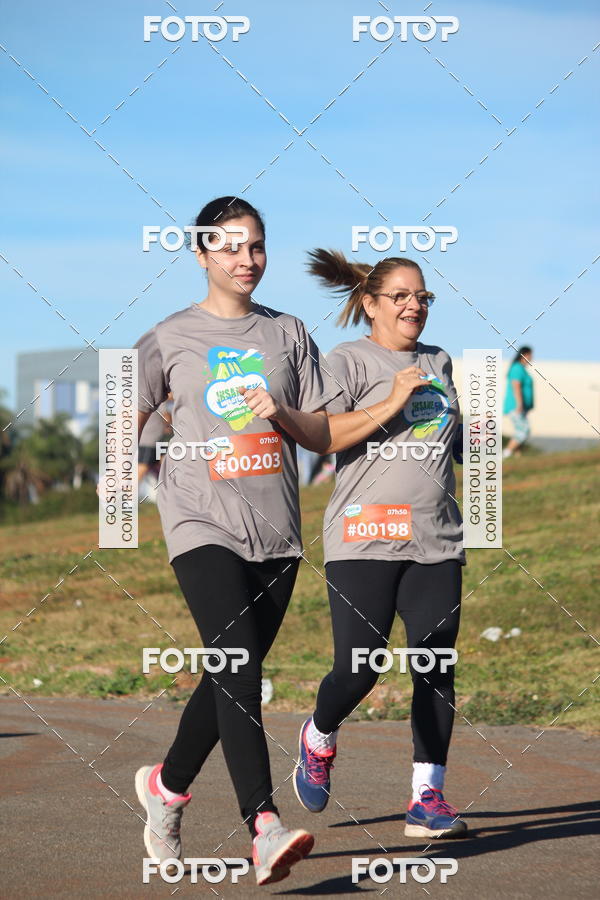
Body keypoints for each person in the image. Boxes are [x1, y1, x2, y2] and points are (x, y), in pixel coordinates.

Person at [133, 198, 341, 885]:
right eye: (228, 248)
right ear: (200, 254)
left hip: (277, 530)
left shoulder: (288, 332)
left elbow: (320, 432)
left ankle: (166, 790)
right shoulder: (170, 336)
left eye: (255, 247)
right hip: (199, 521)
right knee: (241, 662)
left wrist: (282, 411)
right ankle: (264, 824)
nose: (245, 260)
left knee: (230, 670)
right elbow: (121, 414)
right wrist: (131, 476)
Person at [293, 249, 468, 839]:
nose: (415, 305)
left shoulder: (439, 360)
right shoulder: (345, 360)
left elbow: (455, 443)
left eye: (423, 297)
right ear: (371, 304)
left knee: (435, 663)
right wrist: (391, 400)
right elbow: (323, 435)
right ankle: (319, 734)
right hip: (364, 536)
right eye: (402, 295)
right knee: (360, 667)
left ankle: (428, 797)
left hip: (435, 540)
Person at [138, 398, 172, 502]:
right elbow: (166, 418)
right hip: (151, 441)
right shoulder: (160, 399)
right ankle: (125, 500)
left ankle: (167, 498)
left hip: (150, 440)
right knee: (141, 471)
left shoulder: (147, 396)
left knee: (163, 469)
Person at [503, 346, 534, 458]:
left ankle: (518, 457)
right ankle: (504, 455)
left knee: (519, 431)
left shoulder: (522, 369)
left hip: (522, 406)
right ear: (524, 355)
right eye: (530, 355)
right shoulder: (517, 368)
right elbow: (516, 386)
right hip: (515, 406)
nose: (531, 357)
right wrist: (519, 404)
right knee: (523, 430)